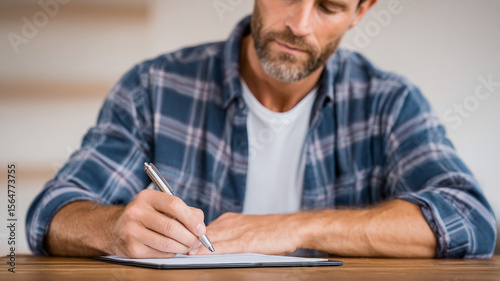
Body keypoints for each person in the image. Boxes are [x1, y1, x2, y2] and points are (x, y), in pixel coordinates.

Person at [26, 0, 496, 259]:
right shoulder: (154, 87)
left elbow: (470, 219)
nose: (298, 24)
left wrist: (287, 229)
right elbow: (50, 213)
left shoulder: (389, 102)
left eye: (329, 6)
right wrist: (111, 228)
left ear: (362, 11)